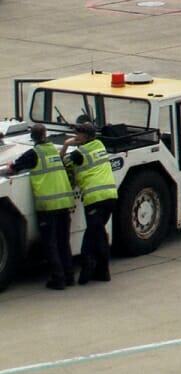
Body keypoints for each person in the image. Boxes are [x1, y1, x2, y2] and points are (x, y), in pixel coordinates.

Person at [16, 123, 78, 290]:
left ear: (33, 138)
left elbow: (15, 167)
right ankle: (70, 276)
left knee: (50, 243)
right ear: (46, 135)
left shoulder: (34, 153)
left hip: (48, 206)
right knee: (64, 242)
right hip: (64, 204)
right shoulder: (54, 151)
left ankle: (58, 279)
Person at [66, 120, 118, 285]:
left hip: (95, 199)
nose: (75, 136)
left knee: (90, 236)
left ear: (85, 136)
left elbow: (63, 162)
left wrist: (67, 144)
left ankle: (86, 272)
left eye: (78, 133)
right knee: (99, 233)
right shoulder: (99, 145)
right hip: (110, 196)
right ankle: (103, 272)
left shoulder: (80, 153)